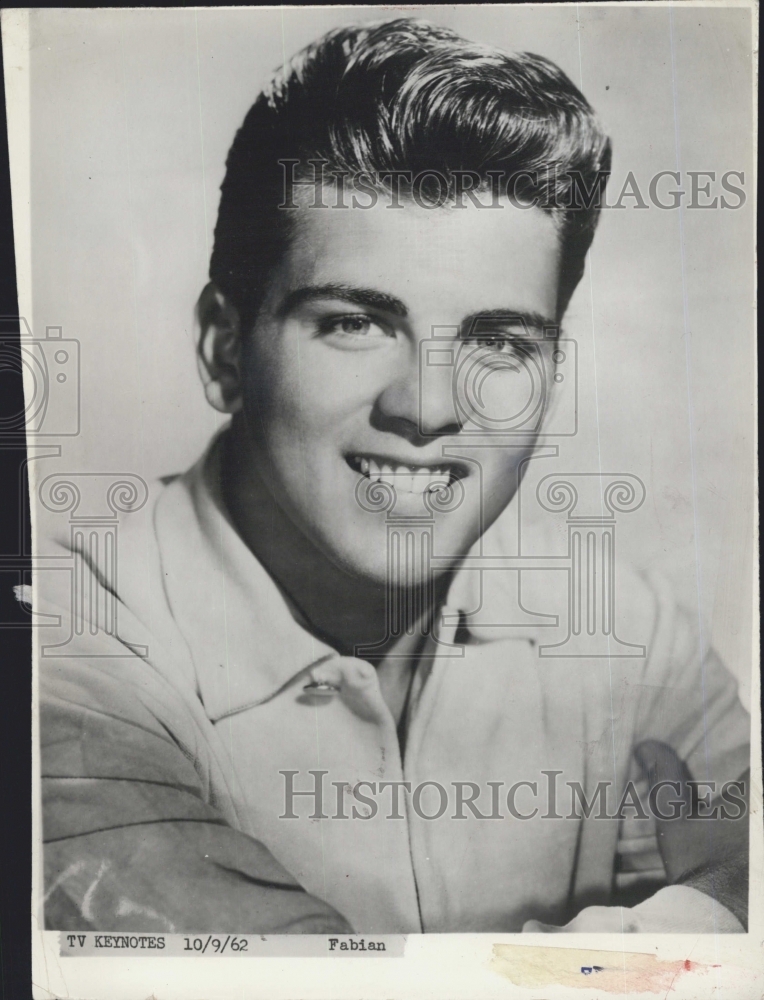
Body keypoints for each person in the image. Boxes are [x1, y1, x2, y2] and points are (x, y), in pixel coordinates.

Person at [39, 18, 749, 934]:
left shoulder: (634, 642)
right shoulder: (61, 653)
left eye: (497, 341)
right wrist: (699, 933)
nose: (428, 405)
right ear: (224, 348)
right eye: (354, 322)